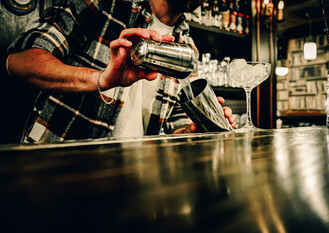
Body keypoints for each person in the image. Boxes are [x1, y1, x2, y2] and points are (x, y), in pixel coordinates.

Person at [6, 0, 235, 143]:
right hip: (56, 173)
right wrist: (101, 79)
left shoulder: (187, 47)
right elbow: (19, 62)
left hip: (129, 184)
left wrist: (194, 131)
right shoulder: (103, 5)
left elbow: (174, 130)